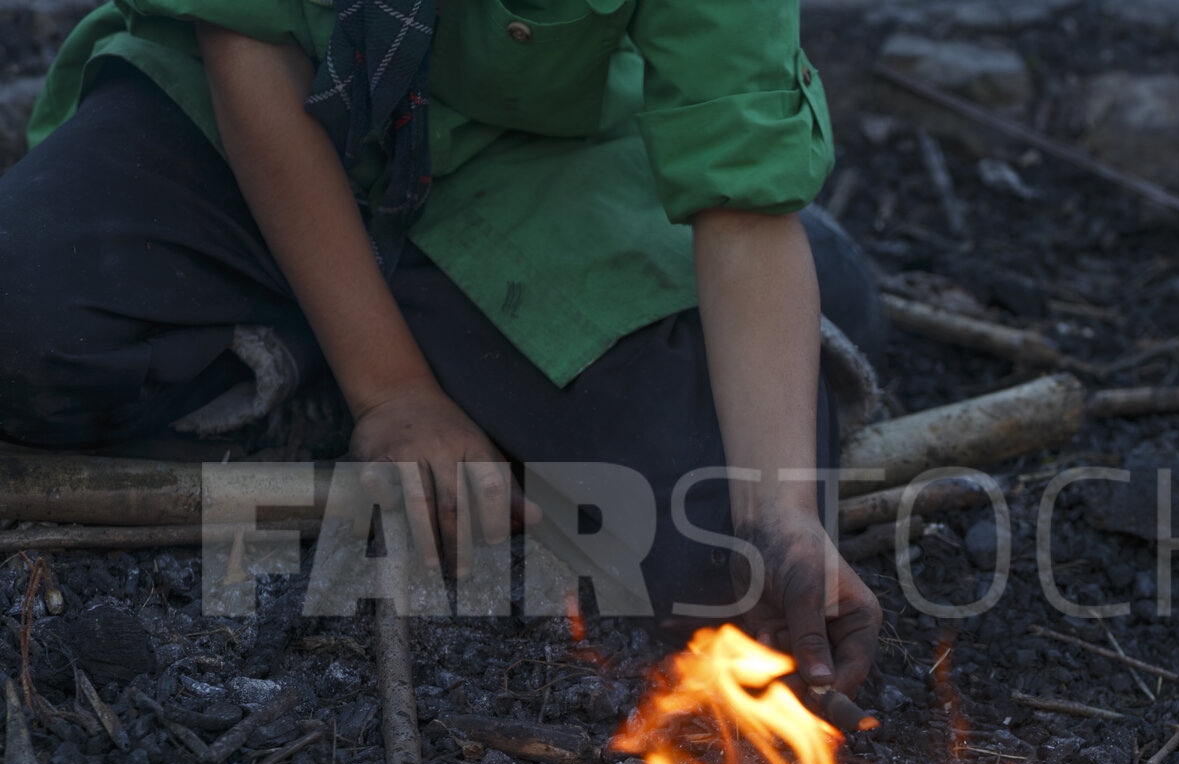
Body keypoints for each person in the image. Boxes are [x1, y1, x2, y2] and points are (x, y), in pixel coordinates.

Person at [0, 0, 882, 694]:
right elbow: (249, 50)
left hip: (518, 165)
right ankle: (335, 356)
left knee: (714, 552)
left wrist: (782, 514)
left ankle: (289, 361)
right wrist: (393, 396)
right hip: (242, 120)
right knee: (24, 325)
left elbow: (742, 202)